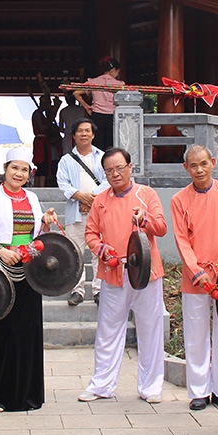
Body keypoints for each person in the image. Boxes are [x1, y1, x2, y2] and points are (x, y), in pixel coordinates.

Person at [0, 147, 59, 412]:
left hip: (29, 269)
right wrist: (0, 250)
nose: (19, 173)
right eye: (15, 168)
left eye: (24, 169)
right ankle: (1, 396)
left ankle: (30, 395)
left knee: (29, 331)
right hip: (1, 269)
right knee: (5, 332)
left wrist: (46, 223)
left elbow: (37, 234)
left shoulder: (32, 198)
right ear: (5, 168)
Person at [79, 147, 167, 403]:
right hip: (114, 271)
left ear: (130, 167)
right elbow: (90, 234)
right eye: (109, 170)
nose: (115, 174)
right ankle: (101, 385)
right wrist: (101, 249)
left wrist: (145, 217)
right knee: (108, 330)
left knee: (150, 328)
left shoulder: (146, 194)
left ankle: (151, 387)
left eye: (119, 168)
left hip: (147, 273)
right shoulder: (101, 199)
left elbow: (161, 228)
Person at [169, 144, 218, 412]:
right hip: (196, 276)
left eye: (204, 164)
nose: (199, 170)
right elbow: (181, 240)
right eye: (193, 165)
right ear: (186, 168)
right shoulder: (179, 200)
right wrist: (195, 270)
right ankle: (198, 390)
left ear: (213, 162)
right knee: (196, 331)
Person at [55, 118, 107, 305]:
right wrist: (81, 197)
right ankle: (77, 290)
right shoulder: (66, 160)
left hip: (98, 211)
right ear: (74, 135)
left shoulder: (102, 157)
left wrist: (91, 198)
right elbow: (63, 184)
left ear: (93, 134)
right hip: (75, 212)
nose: (84, 134)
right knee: (75, 252)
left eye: (87, 131)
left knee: (98, 251)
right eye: (80, 131)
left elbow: (109, 180)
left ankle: (99, 289)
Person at [74, 57, 123, 150]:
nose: (117, 75)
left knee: (97, 144)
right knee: (111, 144)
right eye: (117, 72)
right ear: (113, 70)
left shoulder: (93, 82)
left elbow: (76, 93)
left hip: (97, 115)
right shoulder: (120, 85)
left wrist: (86, 106)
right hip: (112, 116)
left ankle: (98, 163)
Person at [30, 92, 63, 187]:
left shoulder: (41, 114)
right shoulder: (37, 114)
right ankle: (39, 186)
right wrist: (49, 121)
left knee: (44, 165)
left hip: (44, 142)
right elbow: (42, 126)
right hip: (41, 142)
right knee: (42, 164)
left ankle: (40, 185)